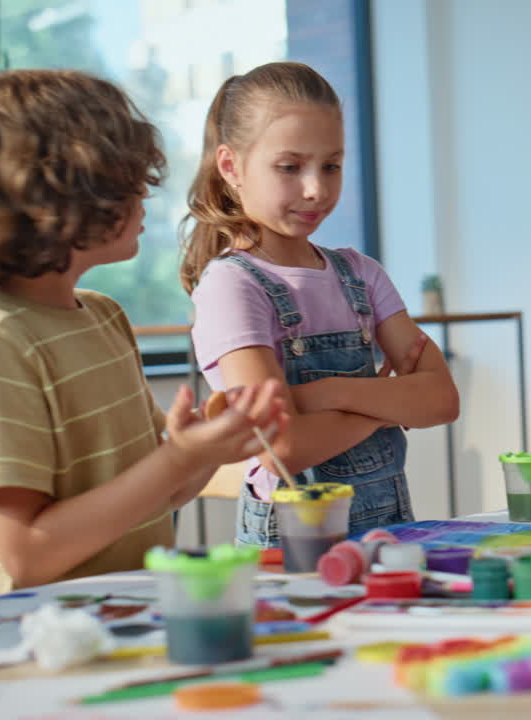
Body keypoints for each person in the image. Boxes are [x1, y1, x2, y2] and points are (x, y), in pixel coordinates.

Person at [0, 69, 286, 600]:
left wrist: (205, 449)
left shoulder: (102, 317)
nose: (145, 196)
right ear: (61, 197)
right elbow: (27, 555)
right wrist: (178, 458)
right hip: (40, 635)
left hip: (125, 618)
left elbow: (159, 492)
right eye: (127, 181)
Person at [180, 62, 458, 545]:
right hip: (293, 546)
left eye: (331, 165)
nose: (316, 189)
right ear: (231, 167)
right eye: (289, 167)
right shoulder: (233, 286)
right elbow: (282, 448)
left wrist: (327, 394)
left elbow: (441, 400)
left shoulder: (362, 273)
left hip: (389, 530)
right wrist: (386, 402)